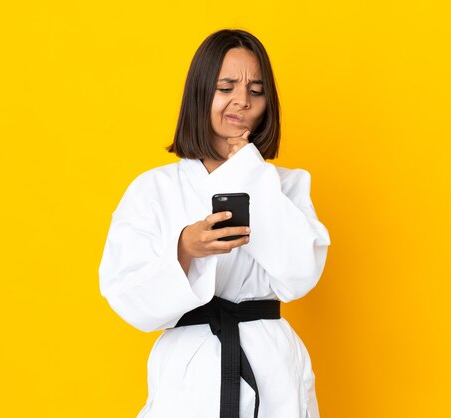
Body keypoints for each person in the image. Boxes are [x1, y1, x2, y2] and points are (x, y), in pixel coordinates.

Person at [98, 28, 330, 418]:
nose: (242, 100)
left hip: (270, 367)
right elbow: (127, 298)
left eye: (256, 91)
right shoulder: (154, 189)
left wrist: (251, 174)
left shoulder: (287, 184)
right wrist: (185, 250)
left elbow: (301, 274)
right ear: (200, 93)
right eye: (226, 88)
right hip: (190, 369)